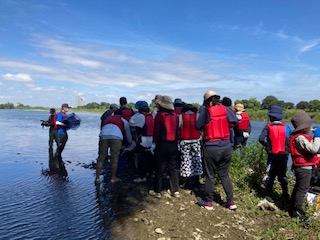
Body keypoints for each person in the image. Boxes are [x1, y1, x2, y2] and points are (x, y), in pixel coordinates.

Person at [195, 90, 238, 210]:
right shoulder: (225, 109)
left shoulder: (206, 111)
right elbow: (234, 121)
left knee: (209, 175)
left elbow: (197, 126)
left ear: (207, 101)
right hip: (226, 146)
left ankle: (208, 202)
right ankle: (231, 202)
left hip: (211, 147)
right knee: (224, 175)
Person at [288, 111, 320, 218]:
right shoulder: (300, 138)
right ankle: (297, 210)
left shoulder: (301, 136)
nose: (310, 127)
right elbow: (314, 149)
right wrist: (318, 136)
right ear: (303, 127)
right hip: (303, 168)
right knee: (303, 188)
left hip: (302, 167)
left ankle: (292, 207)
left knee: (299, 187)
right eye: (309, 125)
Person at [149, 95, 180, 198]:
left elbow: (156, 130)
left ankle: (157, 191)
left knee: (159, 168)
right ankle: (175, 190)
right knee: (173, 167)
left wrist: (153, 143)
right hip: (174, 144)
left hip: (162, 144)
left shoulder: (160, 115)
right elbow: (177, 130)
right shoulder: (176, 116)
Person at [258, 105, 291, 203]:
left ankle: (269, 194)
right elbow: (289, 140)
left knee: (271, 174)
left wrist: (267, 146)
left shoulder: (268, 127)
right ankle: (285, 194)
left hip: (273, 154)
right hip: (284, 155)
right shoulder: (287, 127)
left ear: (271, 117)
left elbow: (261, 139)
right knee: (282, 175)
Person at [95, 111, 133, 184]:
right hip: (116, 137)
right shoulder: (123, 120)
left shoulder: (107, 119)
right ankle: (113, 178)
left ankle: (97, 178)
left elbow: (102, 128)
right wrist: (130, 143)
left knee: (101, 157)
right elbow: (128, 135)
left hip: (103, 136)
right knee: (114, 158)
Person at [179, 104, 202, 190]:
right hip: (196, 141)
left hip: (184, 142)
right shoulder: (197, 116)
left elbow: (179, 127)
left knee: (186, 161)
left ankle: (187, 182)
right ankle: (196, 182)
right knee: (196, 160)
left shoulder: (181, 116)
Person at [129, 103, 155, 183]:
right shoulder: (151, 117)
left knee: (142, 159)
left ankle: (142, 176)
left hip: (143, 139)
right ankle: (151, 173)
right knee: (150, 157)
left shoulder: (141, 117)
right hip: (151, 139)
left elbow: (134, 125)